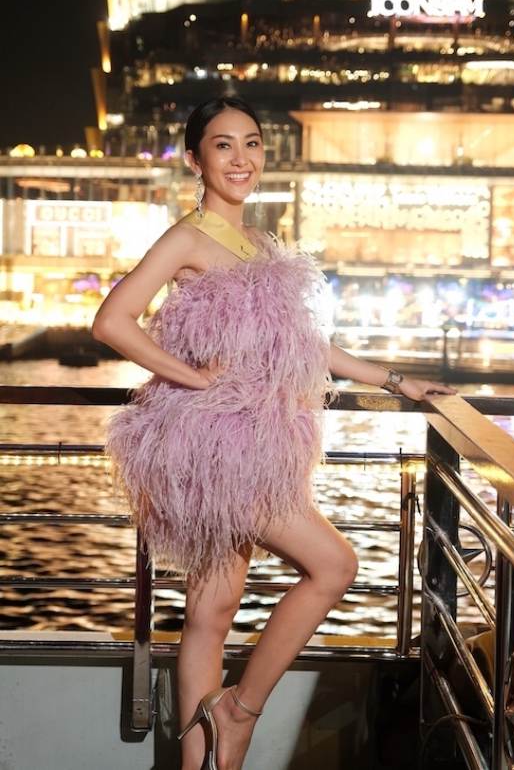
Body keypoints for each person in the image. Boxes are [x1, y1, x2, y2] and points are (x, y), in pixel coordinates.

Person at [92, 96, 456, 770]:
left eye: (252, 143)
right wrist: (193, 377)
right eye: (223, 145)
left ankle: (208, 766)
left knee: (212, 613)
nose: (241, 159)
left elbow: (308, 346)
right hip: (217, 443)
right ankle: (240, 709)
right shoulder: (186, 237)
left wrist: (396, 380)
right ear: (194, 158)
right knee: (335, 565)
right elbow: (112, 320)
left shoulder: (262, 245)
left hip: (255, 441)